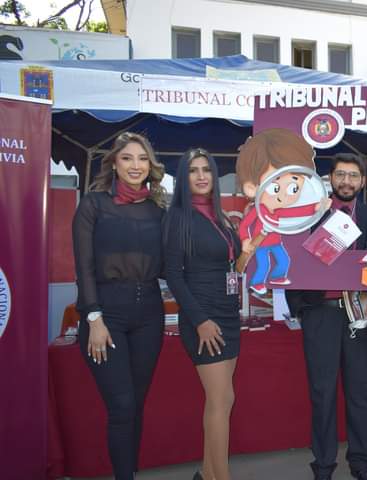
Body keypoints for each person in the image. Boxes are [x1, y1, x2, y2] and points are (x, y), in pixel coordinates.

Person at [72, 132, 166, 480]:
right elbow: (83, 266)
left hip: (149, 313)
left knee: (135, 405)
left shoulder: (158, 211)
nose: (135, 165)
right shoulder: (93, 204)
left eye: (142, 159)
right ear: (114, 163)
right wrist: (93, 318)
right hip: (105, 313)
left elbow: (173, 263)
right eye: (127, 158)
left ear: (150, 166)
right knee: (122, 405)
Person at [285, 153, 367, 480]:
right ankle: (323, 465)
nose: (346, 181)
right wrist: (300, 308)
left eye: (353, 176)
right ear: (330, 178)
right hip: (320, 314)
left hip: (358, 314)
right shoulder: (310, 215)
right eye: (341, 174)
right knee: (322, 393)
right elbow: (291, 258)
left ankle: (360, 463)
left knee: (358, 393)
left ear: (362, 182)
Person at [164, 148, 242, 480]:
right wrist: (200, 321)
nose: (200, 176)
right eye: (193, 170)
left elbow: (234, 264)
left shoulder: (220, 217)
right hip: (203, 317)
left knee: (224, 399)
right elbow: (173, 275)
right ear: (184, 178)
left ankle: (208, 474)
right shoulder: (177, 217)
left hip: (228, 314)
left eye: (206, 170)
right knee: (220, 399)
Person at [236, 128, 326, 294]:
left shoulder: (278, 211)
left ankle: (277, 277)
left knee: (284, 261)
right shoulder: (259, 210)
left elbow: (295, 213)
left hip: (276, 242)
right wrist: (245, 240)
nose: (283, 196)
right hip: (260, 243)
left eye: (293, 188)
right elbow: (244, 226)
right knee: (264, 265)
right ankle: (257, 282)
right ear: (252, 188)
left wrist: (316, 208)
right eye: (275, 187)